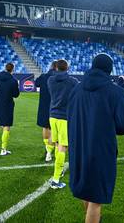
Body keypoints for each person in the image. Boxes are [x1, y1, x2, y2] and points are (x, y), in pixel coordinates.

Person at [68, 53, 124, 223]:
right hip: (101, 149)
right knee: (96, 197)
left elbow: (70, 115)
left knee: (85, 190)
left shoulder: (76, 89)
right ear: (109, 70)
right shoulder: (116, 92)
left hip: (78, 146)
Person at [47, 59, 78, 189]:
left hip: (52, 116)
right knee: (62, 147)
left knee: (58, 145)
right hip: (64, 117)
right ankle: (56, 179)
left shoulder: (50, 80)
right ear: (67, 68)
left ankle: (58, 172)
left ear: (56, 68)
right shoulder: (73, 81)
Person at [0, 63, 20, 156]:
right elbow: (16, 94)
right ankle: (3, 150)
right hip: (7, 105)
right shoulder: (13, 81)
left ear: (5, 68)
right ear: (12, 70)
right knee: (6, 127)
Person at [34, 61, 57, 162]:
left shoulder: (44, 76)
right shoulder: (58, 77)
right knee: (54, 130)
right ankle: (49, 151)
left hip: (43, 106)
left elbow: (36, 83)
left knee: (45, 127)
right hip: (55, 106)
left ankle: (47, 148)